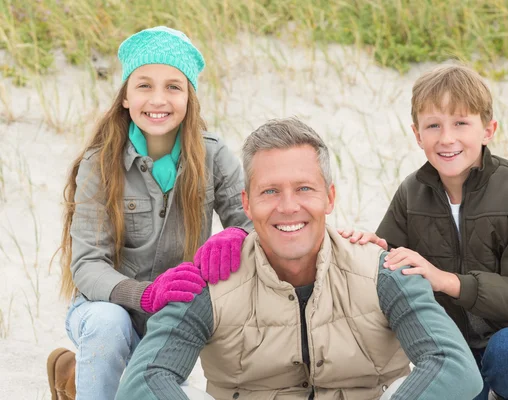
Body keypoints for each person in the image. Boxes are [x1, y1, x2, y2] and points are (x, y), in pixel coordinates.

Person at [115, 117, 483, 400]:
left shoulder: (383, 272)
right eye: (270, 191)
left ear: (330, 197)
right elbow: (144, 381)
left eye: (304, 189)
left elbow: (455, 367)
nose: (288, 207)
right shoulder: (208, 282)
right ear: (246, 203)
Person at [340, 64, 508, 400]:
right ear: (417, 134)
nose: (447, 138)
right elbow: (393, 264)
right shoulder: (412, 192)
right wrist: (373, 249)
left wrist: (444, 280)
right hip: (463, 341)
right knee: (465, 382)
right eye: (434, 125)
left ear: (488, 130)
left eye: (461, 123)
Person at [46, 26, 252, 400]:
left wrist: (237, 234)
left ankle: (76, 379)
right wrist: (143, 294)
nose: (158, 99)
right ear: (125, 96)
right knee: (109, 329)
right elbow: (88, 265)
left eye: (173, 86)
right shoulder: (99, 164)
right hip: (107, 308)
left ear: (190, 97)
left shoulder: (214, 155)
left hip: (178, 313)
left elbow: (253, 224)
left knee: (149, 386)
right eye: (144, 85)